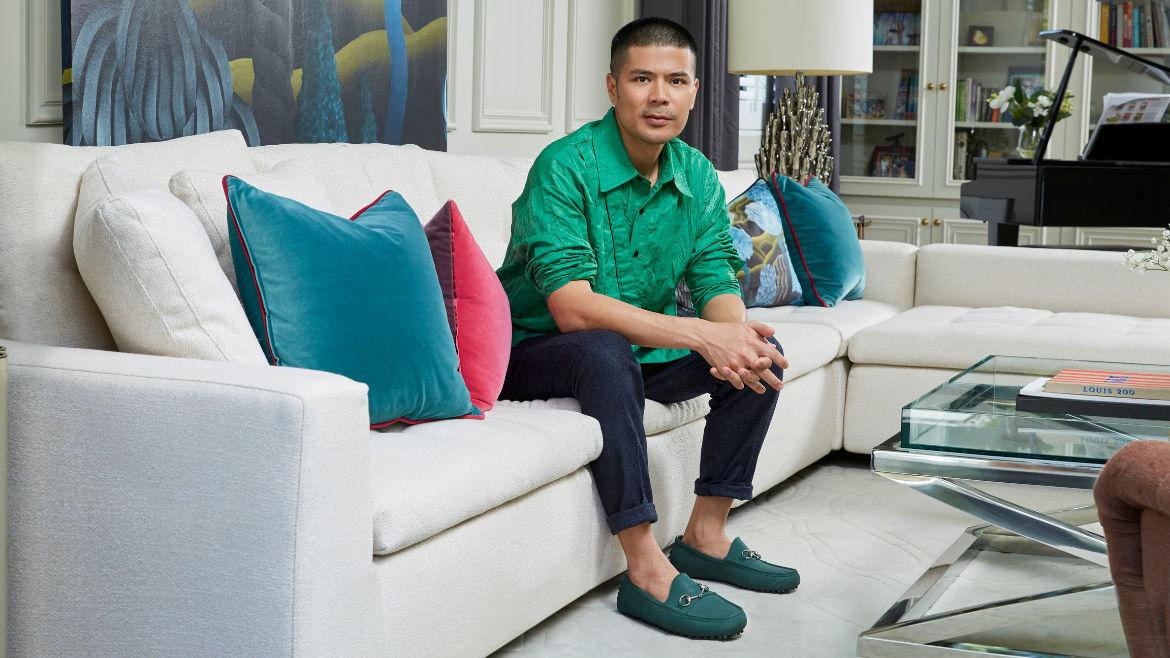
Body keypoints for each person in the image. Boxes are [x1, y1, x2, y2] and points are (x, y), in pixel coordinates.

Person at [495, 17, 798, 640]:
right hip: (531, 351)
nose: (659, 96)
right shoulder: (565, 167)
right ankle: (644, 565)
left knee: (761, 353)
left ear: (693, 92)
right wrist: (701, 337)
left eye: (675, 81)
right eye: (641, 79)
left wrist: (732, 338)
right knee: (605, 351)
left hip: (636, 351)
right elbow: (572, 309)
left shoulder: (696, 175)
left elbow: (715, 278)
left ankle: (706, 535)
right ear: (613, 87)